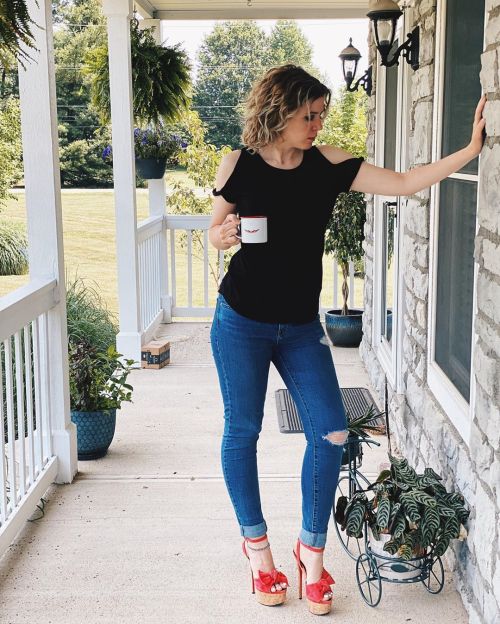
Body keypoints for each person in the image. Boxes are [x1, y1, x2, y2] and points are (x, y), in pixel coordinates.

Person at [208, 64, 486, 615]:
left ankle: (311, 553)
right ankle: (258, 552)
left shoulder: (327, 165)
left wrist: (469, 150)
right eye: (308, 115)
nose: (316, 125)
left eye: (321, 116)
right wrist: (224, 233)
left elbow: (405, 183)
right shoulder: (237, 164)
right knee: (242, 431)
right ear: (280, 110)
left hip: (300, 328)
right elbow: (215, 232)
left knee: (332, 432)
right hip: (240, 320)